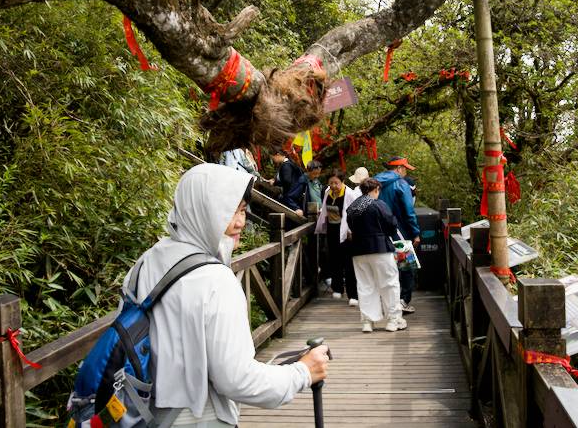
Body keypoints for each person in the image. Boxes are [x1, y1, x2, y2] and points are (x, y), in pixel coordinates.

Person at [124, 164, 329, 426]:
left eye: (242, 210)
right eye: (227, 210)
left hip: (140, 413)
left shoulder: (145, 262)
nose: (240, 222)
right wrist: (303, 371)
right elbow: (238, 380)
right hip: (197, 419)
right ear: (201, 210)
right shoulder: (215, 279)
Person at [346, 178, 407, 333]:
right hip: (380, 248)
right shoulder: (379, 205)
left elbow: (351, 226)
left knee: (365, 286)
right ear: (376, 190)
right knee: (389, 284)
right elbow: (392, 224)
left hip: (359, 250)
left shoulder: (353, 207)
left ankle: (367, 321)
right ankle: (393, 320)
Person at [374, 156, 421, 315]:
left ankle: (386, 302)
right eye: (405, 168)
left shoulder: (375, 183)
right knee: (406, 267)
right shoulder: (401, 184)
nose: (406, 171)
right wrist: (415, 233)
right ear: (399, 168)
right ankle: (402, 301)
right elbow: (409, 211)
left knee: (385, 267)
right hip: (399, 232)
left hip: (377, 232)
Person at [314, 168, 361, 305]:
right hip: (332, 230)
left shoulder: (350, 194)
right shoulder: (328, 192)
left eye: (336, 183)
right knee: (334, 259)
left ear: (343, 182)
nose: (334, 186)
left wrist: (352, 230)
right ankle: (338, 288)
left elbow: (356, 214)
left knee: (349, 263)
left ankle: (353, 295)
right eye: (331, 183)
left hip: (347, 233)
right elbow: (324, 209)